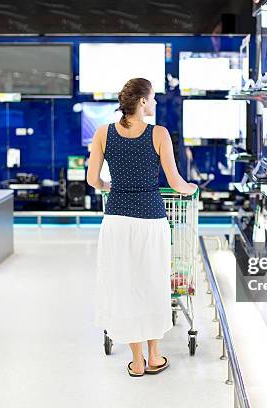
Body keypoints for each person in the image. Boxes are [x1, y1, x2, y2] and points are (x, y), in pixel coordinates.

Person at [87, 78, 198, 377]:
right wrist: (192, 187)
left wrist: (108, 185)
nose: (157, 103)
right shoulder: (159, 134)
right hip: (150, 220)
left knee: (125, 285)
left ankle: (136, 361)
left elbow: (92, 180)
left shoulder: (103, 133)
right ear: (143, 102)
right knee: (151, 283)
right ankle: (154, 356)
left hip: (116, 221)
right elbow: (176, 183)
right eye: (154, 98)